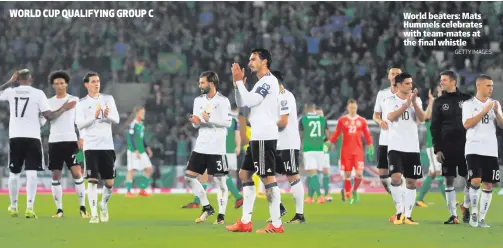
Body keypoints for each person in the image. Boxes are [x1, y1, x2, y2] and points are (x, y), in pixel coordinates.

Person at [3, 69, 75, 218]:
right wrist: (64, 108)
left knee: (14, 173)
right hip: (32, 138)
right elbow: (49, 116)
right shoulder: (38, 93)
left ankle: (14, 206)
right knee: (31, 173)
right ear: (30, 79)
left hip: (15, 137)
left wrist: (9, 82)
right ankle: (29, 208)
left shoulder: (11, 92)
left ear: (17, 79)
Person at [226, 48, 283, 233]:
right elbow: (242, 103)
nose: (249, 62)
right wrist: (237, 86)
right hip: (257, 137)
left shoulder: (268, 81)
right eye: (249, 59)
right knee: (244, 175)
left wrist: (240, 85)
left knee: (267, 178)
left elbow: (250, 101)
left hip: (264, 137)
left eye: (253, 59)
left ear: (264, 61)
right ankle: (245, 222)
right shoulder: (260, 83)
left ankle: (276, 225)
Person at [186, 71, 231, 224]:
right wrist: (195, 121)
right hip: (201, 145)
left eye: (202, 83)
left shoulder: (223, 101)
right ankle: (207, 207)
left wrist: (210, 119)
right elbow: (196, 122)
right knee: (189, 176)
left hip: (217, 147)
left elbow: (227, 122)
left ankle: (221, 216)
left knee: (221, 184)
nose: (200, 86)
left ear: (211, 83)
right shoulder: (198, 101)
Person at [75, 72, 120, 224]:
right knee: (92, 181)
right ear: (86, 84)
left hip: (107, 145)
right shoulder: (81, 103)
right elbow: (79, 124)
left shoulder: (108, 99)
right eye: (93, 81)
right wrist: (93, 117)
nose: (96, 84)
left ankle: (103, 205)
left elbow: (117, 119)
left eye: (98, 81)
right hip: (91, 146)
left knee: (109, 183)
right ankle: (94, 213)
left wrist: (107, 116)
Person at [430, 70, 472, 224]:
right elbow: (434, 127)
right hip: (447, 147)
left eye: (444, 80)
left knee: (470, 179)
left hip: (466, 146)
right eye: (441, 80)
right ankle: (453, 215)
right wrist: (437, 148)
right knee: (449, 180)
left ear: (453, 81)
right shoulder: (439, 102)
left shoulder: (468, 99)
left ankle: (466, 207)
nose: (441, 82)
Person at [383, 72, 425, 225]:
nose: (410, 86)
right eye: (407, 83)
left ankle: (408, 216)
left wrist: (413, 103)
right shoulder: (389, 100)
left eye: (411, 83)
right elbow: (391, 117)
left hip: (412, 147)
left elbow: (422, 119)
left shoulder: (417, 100)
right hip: (395, 146)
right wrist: (406, 105)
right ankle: (399, 212)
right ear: (399, 85)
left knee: (411, 182)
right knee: (395, 177)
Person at [46, 71, 88, 218]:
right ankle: (59, 210)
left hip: (72, 141)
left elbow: (80, 120)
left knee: (77, 172)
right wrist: (63, 108)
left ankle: (83, 208)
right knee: (56, 175)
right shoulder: (48, 102)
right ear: (53, 85)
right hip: (54, 142)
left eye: (62, 83)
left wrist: (81, 137)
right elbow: (49, 117)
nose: (59, 86)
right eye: (56, 83)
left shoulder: (75, 99)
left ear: (67, 84)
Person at [462, 74, 502, 228]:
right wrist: (484, 111)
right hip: (474, 146)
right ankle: (473, 213)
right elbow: (467, 124)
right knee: (476, 180)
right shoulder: (469, 104)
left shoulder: (495, 103)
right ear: (478, 86)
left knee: (489, 184)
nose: (491, 88)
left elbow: (502, 125)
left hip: (490, 149)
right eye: (488, 86)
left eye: (492, 86)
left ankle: (482, 218)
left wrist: (497, 112)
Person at [271, 70, 305, 224]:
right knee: (264, 172)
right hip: (276, 143)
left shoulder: (285, 96)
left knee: (292, 176)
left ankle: (299, 215)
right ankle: (279, 208)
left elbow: (283, 123)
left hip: (288, 143)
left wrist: (267, 125)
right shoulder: (274, 98)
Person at [328, 99, 373, 204]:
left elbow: (367, 134)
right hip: (346, 151)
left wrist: (370, 145)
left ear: (356, 107)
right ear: (347, 108)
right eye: (351, 107)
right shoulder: (342, 120)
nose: (352, 109)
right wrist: (329, 143)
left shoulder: (362, 120)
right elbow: (336, 134)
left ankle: (355, 191)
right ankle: (348, 194)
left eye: (354, 107)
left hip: (358, 151)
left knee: (359, 174)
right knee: (347, 174)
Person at [373, 67, 402, 195]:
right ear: (389, 77)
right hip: (384, 139)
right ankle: (396, 196)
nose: (395, 76)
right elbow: (375, 115)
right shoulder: (382, 94)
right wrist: (380, 122)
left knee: (397, 174)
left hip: (400, 139)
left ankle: (402, 203)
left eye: (397, 74)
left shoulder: (407, 94)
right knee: (383, 174)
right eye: (393, 74)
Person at [416, 87, 447, 207]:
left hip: (440, 147)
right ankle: (450, 201)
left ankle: (419, 199)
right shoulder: (432, 112)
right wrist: (432, 101)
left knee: (432, 173)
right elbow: (425, 118)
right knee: (439, 172)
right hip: (433, 147)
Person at [300, 103, 330, 204]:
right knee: (311, 174)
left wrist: (299, 147)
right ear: (313, 109)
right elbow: (327, 136)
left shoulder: (303, 119)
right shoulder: (322, 119)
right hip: (320, 149)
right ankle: (310, 197)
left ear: (306, 109)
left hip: (309, 149)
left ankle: (320, 196)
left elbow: (301, 135)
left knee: (312, 173)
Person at [125, 107, 154, 197]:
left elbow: (142, 138)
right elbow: (131, 138)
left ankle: (142, 190)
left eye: (143, 113)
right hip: (133, 151)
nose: (143, 114)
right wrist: (136, 150)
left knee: (149, 168)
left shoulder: (141, 124)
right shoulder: (133, 125)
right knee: (132, 170)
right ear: (137, 113)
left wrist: (147, 148)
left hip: (142, 151)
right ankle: (128, 192)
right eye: (142, 113)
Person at [224, 106, 244, 208]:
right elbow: (237, 135)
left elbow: (237, 135)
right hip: (230, 150)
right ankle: (234, 194)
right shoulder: (234, 121)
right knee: (225, 174)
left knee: (223, 174)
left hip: (223, 151)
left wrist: (238, 146)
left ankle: (237, 196)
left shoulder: (219, 120)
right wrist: (237, 146)